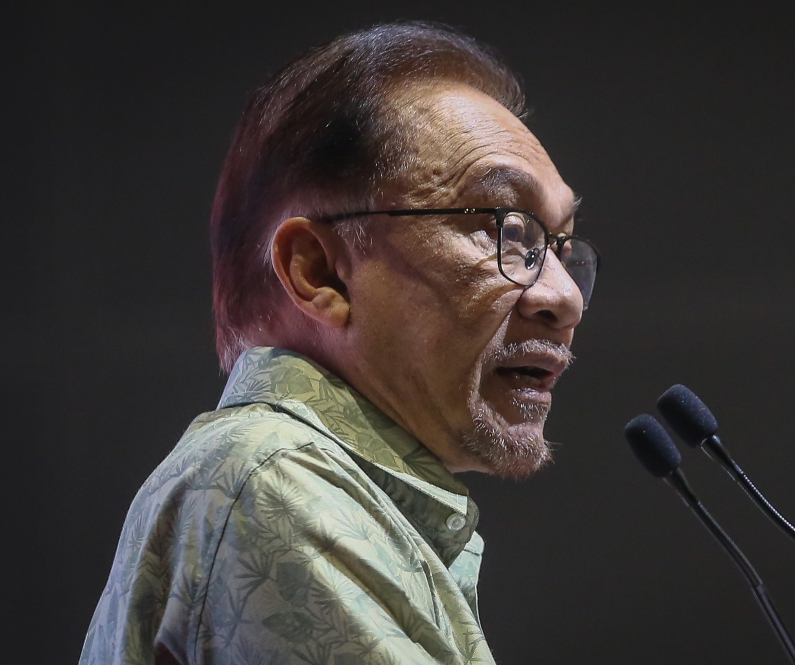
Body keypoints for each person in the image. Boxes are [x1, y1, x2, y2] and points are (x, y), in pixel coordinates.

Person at [80, 21, 599, 665]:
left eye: (562, 246)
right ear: (320, 272)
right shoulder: (275, 480)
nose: (563, 296)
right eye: (503, 228)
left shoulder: (321, 489)